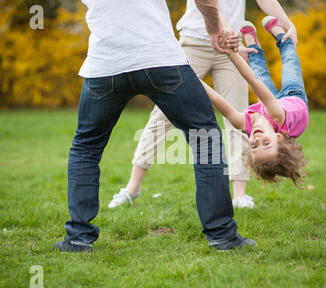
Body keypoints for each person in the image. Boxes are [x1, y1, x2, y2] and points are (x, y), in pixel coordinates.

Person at [54, 0, 257, 253]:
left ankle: (77, 239)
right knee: (205, 137)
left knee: (86, 147)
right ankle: (222, 236)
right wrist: (214, 26)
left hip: (105, 65)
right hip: (160, 60)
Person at [108, 0, 299, 210]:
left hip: (231, 46)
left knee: (243, 122)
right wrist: (224, 29)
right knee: (162, 115)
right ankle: (132, 188)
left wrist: (287, 23)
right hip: (195, 41)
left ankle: (239, 196)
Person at [202, 16, 309, 187]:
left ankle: (252, 46)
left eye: (254, 147)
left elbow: (216, 99)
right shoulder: (277, 116)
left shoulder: (243, 124)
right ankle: (281, 36)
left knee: (259, 70)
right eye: (266, 143)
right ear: (279, 137)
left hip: (266, 107)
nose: (257, 140)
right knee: (289, 62)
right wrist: (230, 52)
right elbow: (252, 82)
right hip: (293, 97)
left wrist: (191, 76)